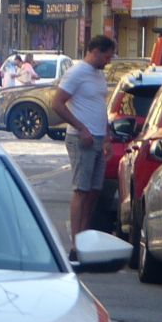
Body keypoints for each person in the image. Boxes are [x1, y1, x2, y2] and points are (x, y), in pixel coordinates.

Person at [47, 35, 116, 255]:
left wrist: (107, 137)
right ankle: (75, 243)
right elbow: (57, 103)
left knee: (94, 191)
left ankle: (84, 236)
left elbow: (100, 106)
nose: (108, 61)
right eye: (107, 56)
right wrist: (80, 127)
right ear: (96, 51)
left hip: (98, 137)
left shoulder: (98, 75)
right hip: (81, 138)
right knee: (81, 189)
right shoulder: (77, 73)